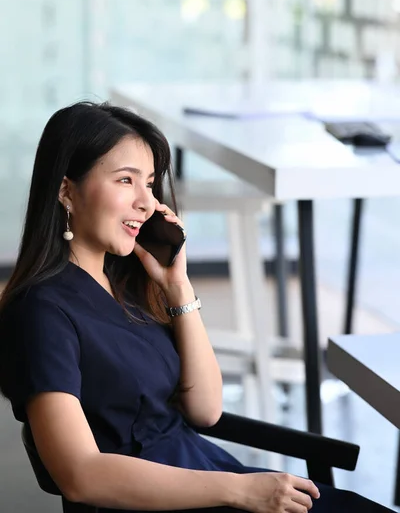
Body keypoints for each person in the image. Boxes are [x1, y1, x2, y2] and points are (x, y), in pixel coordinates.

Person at [0, 102, 391, 513]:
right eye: (125, 181)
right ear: (66, 191)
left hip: (206, 474)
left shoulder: (127, 283)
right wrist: (240, 491)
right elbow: (80, 474)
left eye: (149, 184)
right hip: (163, 499)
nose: (146, 203)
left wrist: (178, 288)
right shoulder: (41, 313)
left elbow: (205, 410)